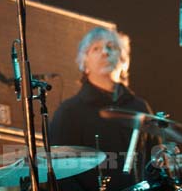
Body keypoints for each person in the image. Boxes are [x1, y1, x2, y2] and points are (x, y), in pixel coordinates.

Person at [49, 27, 157, 191]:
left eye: (111, 47)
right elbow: (60, 173)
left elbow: (155, 162)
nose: (105, 53)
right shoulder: (69, 111)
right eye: (96, 48)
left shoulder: (140, 107)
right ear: (84, 62)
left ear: (123, 60)